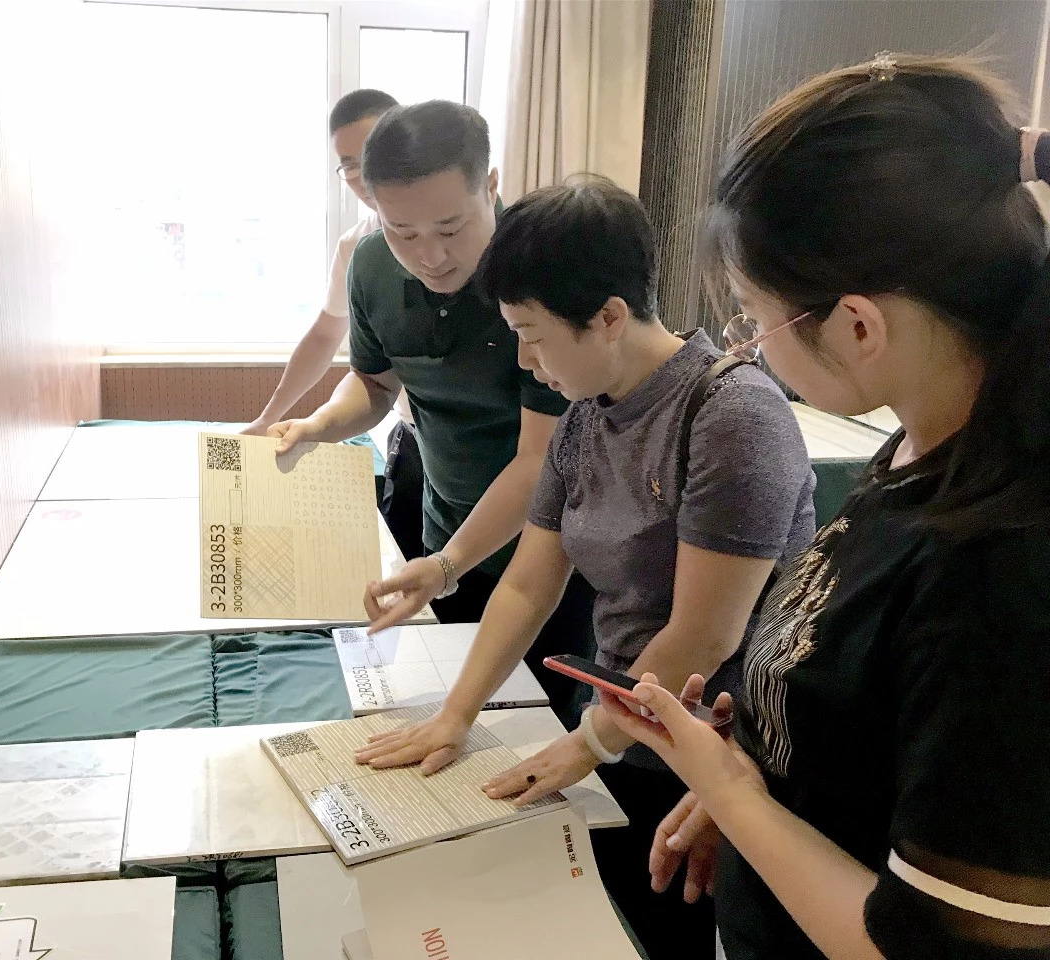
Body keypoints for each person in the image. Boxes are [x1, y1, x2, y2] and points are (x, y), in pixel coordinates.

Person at [601, 54, 1050, 960]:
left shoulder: (1005, 569)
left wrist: (733, 793)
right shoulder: (925, 444)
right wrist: (765, 762)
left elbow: (923, 945)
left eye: (752, 317)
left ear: (857, 325)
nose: (747, 346)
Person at [352, 177, 815, 959]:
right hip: (627, 720)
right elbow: (528, 583)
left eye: (532, 335)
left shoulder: (731, 415)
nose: (525, 360)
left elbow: (703, 635)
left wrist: (587, 745)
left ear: (608, 317)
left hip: (722, 754)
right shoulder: (583, 420)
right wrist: (456, 714)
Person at [267, 101, 596, 721]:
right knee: (448, 723)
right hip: (443, 535)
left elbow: (540, 459)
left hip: (549, 556)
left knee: (532, 727)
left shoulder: (542, 271)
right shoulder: (371, 265)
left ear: (491, 186)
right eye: (403, 232)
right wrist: (318, 425)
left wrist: (448, 565)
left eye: (450, 229)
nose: (430, 256)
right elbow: (374, 383)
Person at [241, 89, 426, 561]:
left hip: (490, 451)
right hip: (413, 438)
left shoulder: (461, 234)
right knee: (406, 576)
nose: (364, 175)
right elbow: (331, 339)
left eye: (372, 154)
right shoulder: (360, 249)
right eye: (349, 165)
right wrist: (270, 417)